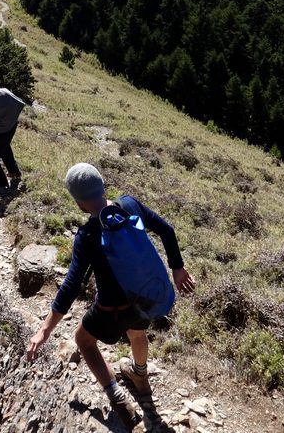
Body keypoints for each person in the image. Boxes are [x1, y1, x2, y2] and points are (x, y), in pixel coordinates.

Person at [26, 163, 196, 430]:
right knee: (137, 334)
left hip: (110, 309)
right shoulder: (129, 205)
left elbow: (71, 285)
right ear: (103, 185)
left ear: (80, 203)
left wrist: (44, 331)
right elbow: (167, 230)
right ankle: (140, 375)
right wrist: (177, 268)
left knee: (83, 340)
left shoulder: (87, 235)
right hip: (143, 300)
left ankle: (117, 397)